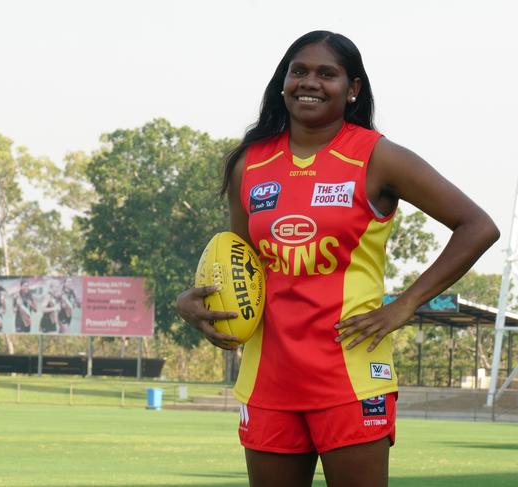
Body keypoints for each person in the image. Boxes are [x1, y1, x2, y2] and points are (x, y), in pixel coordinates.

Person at [175, 30, 499, 487]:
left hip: (350, 376)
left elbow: (477, 226)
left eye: (327, 73)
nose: (310, 82)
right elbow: (238, 264)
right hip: (269, 378)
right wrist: (195, 306)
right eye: (299, 71)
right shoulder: (250, 163)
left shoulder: (378, 157)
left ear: (352, 89)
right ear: (282, 82)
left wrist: (404, 305)